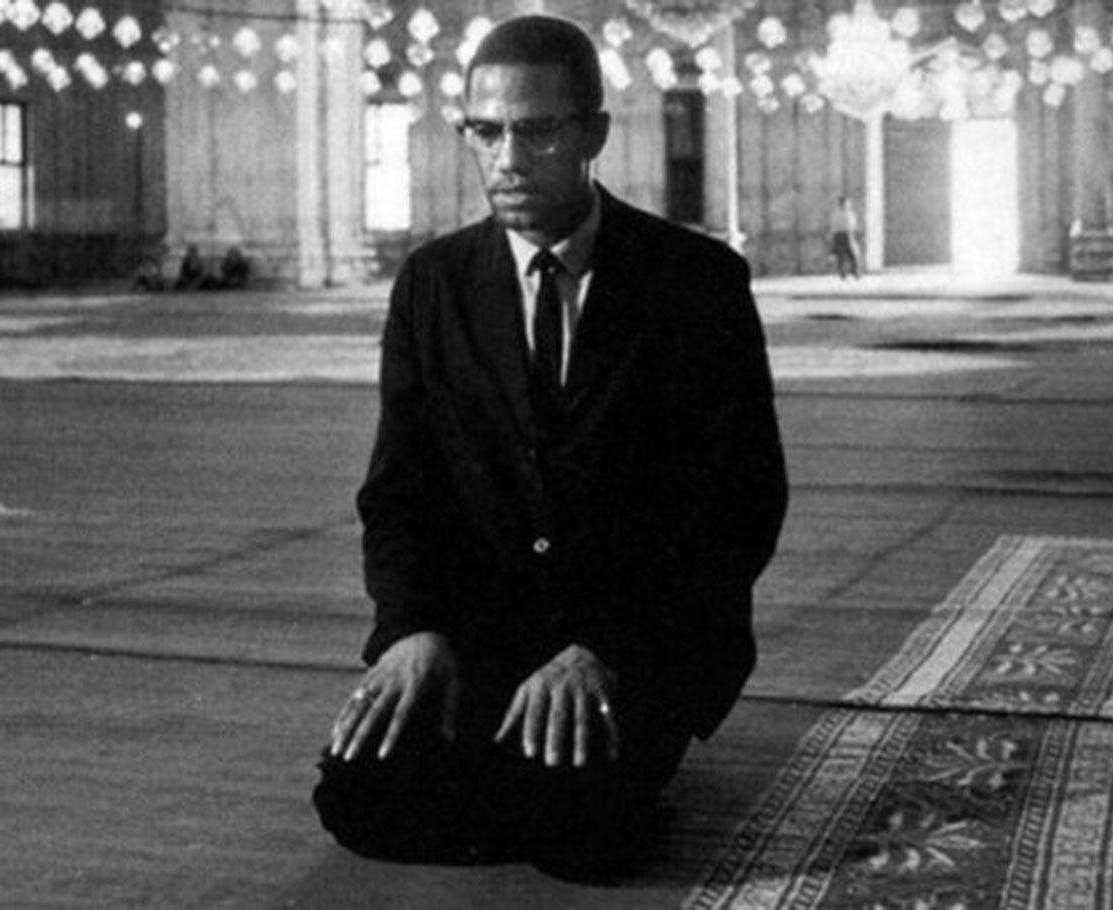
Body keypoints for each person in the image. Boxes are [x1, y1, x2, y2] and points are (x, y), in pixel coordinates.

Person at [313, 14, 787, 880]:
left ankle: (571, 778)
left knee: (583, 842)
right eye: (485, 132)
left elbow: (740, 506)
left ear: (594, 134)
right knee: (357, 799)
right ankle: (535, 780)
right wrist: (413, 630)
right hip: (483, 636)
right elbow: (400, 490)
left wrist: (606, 647)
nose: (507, 159)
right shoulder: (433, 283)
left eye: (536, 132)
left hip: (636, 640)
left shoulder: (695, 283)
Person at [830, 195, 861, 280]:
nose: (849, 204)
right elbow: (852, 224)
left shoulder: (836, 213)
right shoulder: (847, 213)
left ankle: (844, 272)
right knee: (852, 253)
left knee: (842, 255)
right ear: (844, 204)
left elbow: (833, 225)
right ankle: (854, 271)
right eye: (848, 203)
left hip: (838, 234)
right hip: (846, 234)